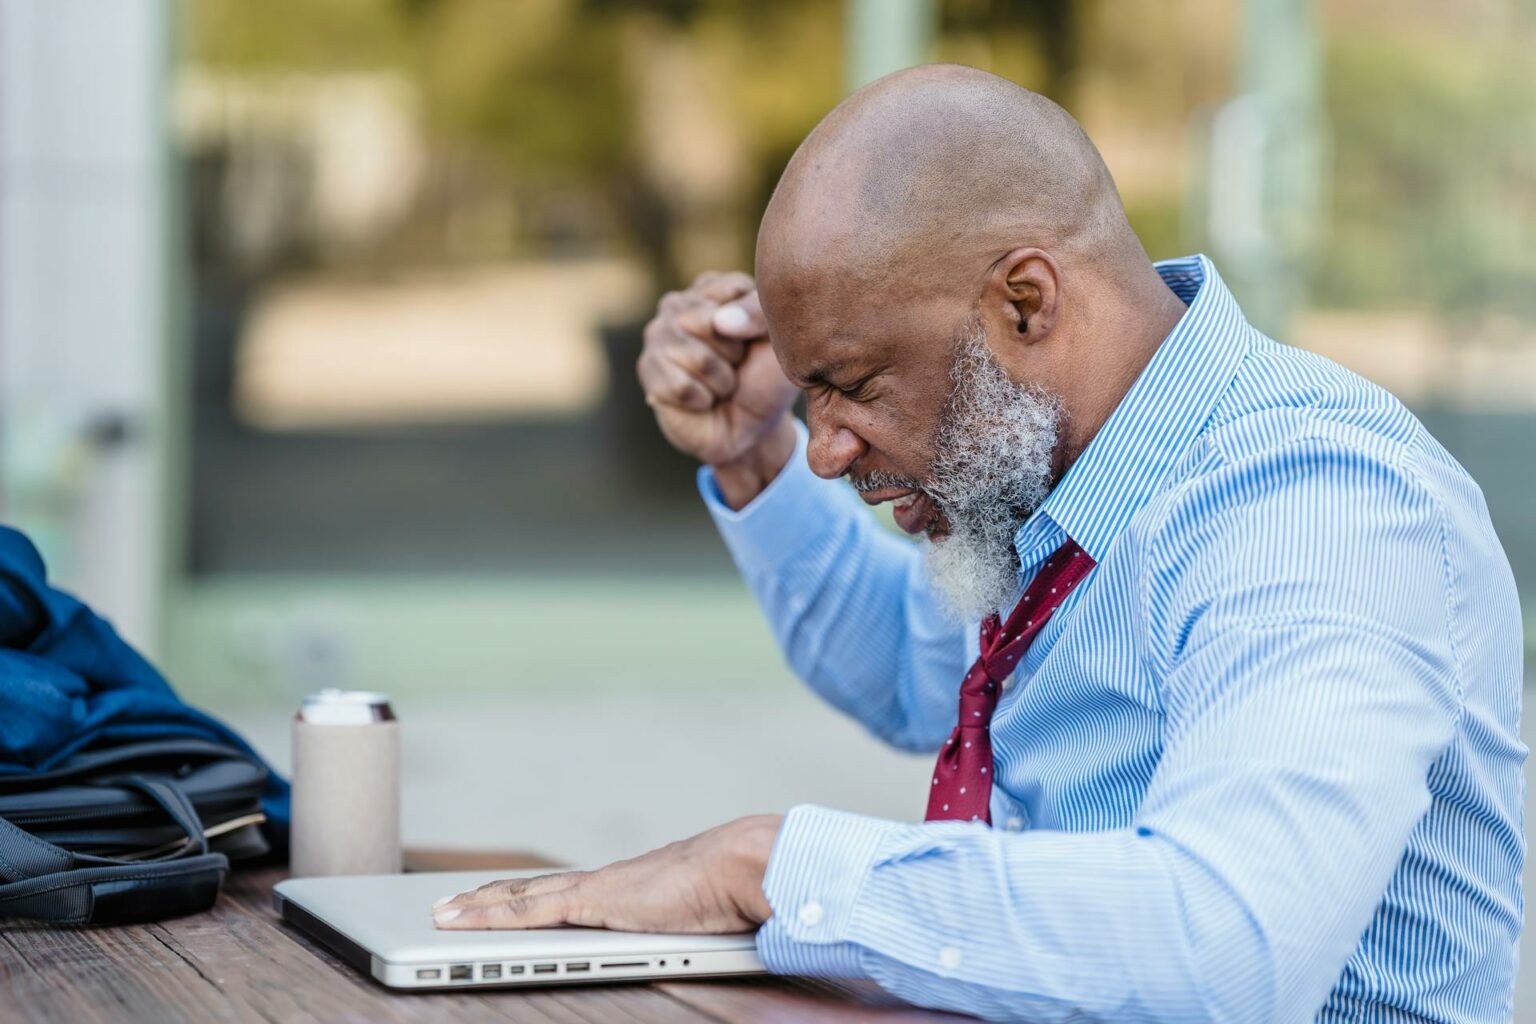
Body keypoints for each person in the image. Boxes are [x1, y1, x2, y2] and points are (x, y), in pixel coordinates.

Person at [433, 65, 1525, 1023]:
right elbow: (918, 674)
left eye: (852, 385)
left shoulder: (1319, 507)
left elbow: (1227, 946)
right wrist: (749, 455)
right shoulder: (1051, 476)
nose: (827, 450)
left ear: (1025, 302)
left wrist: (765, 866)